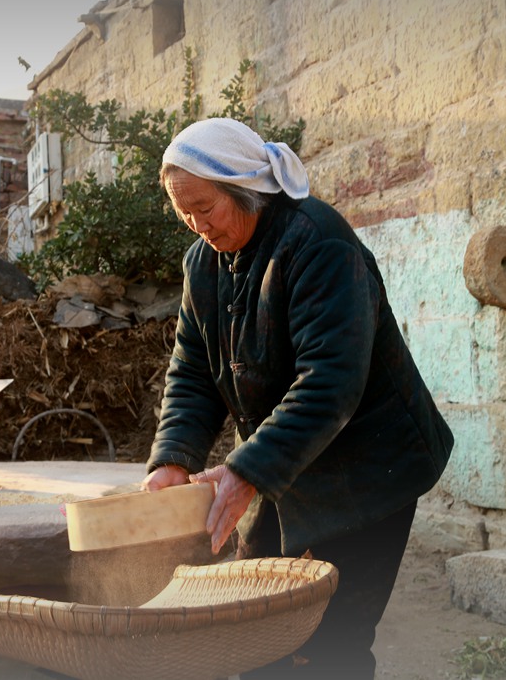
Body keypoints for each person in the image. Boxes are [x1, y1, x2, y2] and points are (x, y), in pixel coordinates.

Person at [142, 117, 454, 679]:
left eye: (205, 207)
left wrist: (244, 473)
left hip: (368, 467)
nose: (195, 223)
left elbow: (331, 382)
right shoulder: (202, 264)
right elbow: (192, 372)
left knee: (329, 642)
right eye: (181, 210)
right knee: (257, 632)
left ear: (242, 188)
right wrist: (172, 460)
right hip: (281, 461)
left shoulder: (318, 242)